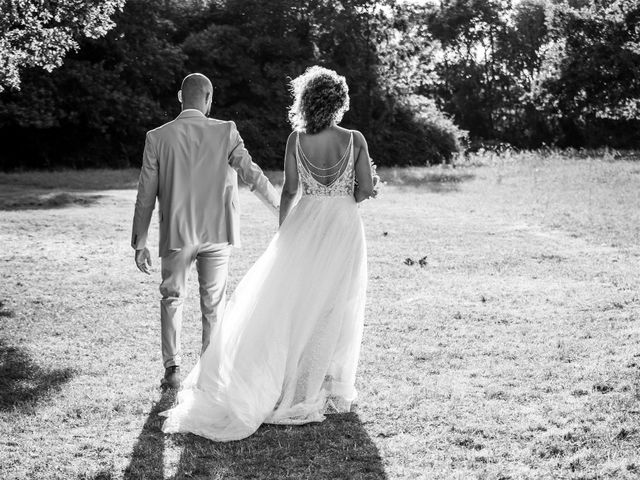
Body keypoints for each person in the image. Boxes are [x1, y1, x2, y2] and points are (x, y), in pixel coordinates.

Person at [160, 66, 376, 441]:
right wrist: (358, 190)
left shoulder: (296, 139)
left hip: (305, 223)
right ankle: (324, 381)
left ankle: (292, 377)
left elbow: (290, 190)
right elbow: (362, 191)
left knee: (298, 300)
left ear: (306, 101)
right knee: (336, 302)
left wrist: (284, 232)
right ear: (339, 101)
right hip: (343, 226)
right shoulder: (354, 139)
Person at [131, 73, 280, 390]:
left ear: (180, 97)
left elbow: (146, 193)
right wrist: (283, 210)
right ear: (209, 98)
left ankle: (172, 370)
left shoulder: (158, 137)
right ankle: (210, 372)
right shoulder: (226, 130)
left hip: (177, 230)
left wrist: (139, 242)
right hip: (217, 231)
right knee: (214, 304)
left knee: (172, 298)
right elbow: (252, 175)